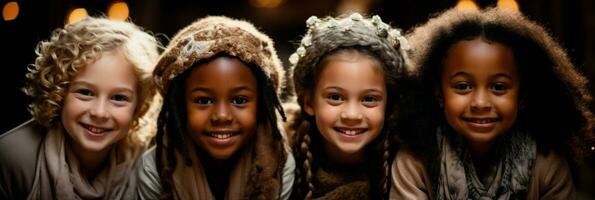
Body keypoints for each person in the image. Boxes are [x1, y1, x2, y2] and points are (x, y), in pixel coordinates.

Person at [391, 8, 594, 199]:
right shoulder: (414, 163)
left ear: (521, 96)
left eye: (498, 87)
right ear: (439, 94)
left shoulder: (547, 166)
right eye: (463, 86)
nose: (480, 103)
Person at [0, 16, 161, 199]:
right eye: (85, 92)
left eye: (118, 97)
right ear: (59, 93)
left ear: (139, 105)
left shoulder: (148, 165)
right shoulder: (12, 157)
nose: (99, 112)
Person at [136, 16, 295, 200]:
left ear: (260, 105)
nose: (221, 116)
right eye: (203, 101)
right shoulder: (155, 168)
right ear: (180, 105)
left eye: (240, 100)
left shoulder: (278, 167)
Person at [287, 13, 410, 199]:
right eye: (335, 97)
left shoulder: (410, 169)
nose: (352, 115)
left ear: (389, 104)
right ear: (308, 102)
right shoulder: (280, 163)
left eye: (369, 99)